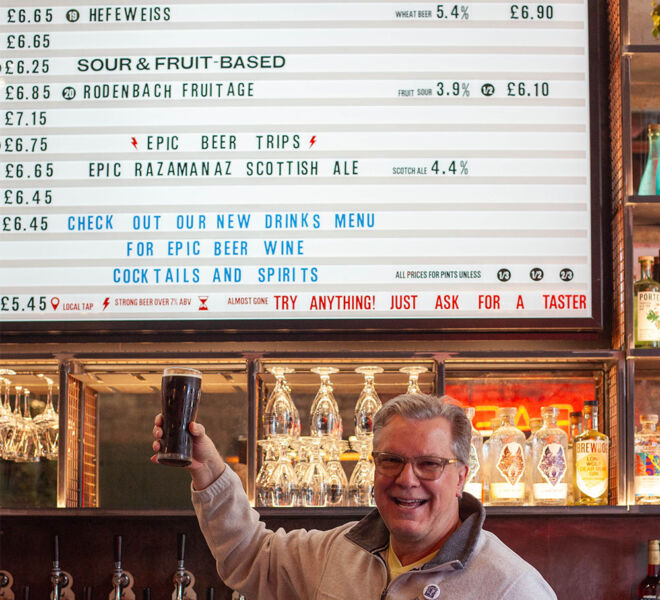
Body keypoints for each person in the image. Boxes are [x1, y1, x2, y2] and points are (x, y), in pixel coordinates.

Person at [151, 393, 557, 599]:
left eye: (429, 464)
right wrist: (209, 473)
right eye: (391, 460)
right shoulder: (338, 552)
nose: (406, 479)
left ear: (460, 477)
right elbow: (252, 556)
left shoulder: (511, 586)